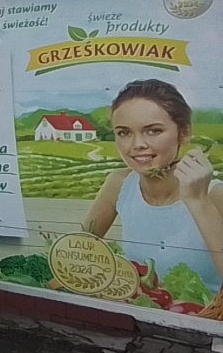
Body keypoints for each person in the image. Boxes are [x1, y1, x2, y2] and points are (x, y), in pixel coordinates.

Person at [83, 79, 223, 290]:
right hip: (141, 308)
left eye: (153, 131)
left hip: (208, 311)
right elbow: (77, 249)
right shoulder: (120, 184)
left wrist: (198, 200)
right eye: (124, 133)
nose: (137, 144)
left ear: (184, 132)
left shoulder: (215, 194)